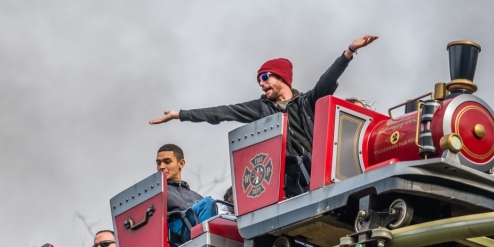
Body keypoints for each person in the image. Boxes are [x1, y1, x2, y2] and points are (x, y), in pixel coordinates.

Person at [150, 35, 379, 196]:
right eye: (258, 79)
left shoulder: (306, 102)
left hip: (319, 170)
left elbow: (327, 80)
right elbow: (221, 113)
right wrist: (180, 114)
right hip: (291, 180)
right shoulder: (260, 109)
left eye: (266, 77)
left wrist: (348, 52)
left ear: (282, 79)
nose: (261, 83)